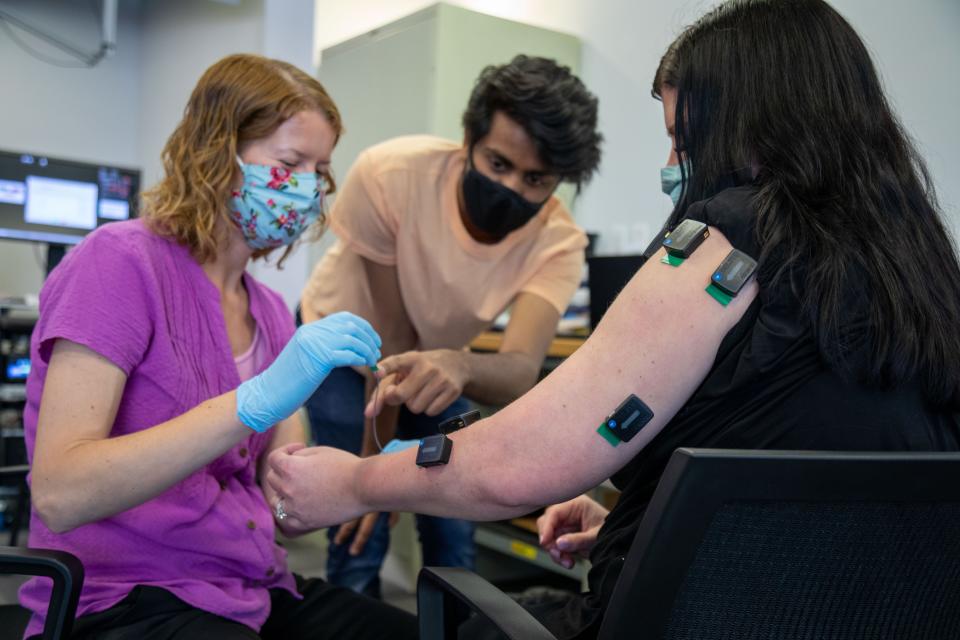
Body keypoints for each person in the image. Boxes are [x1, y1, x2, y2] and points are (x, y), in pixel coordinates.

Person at [267, 1, 960, 638]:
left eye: (684, 146)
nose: (672, 168)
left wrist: (354, 483)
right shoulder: (921, 270)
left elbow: (520, 461)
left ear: (753, 128)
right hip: (842, 615)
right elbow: (815, 473)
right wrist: (669, 522)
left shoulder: (724, 243)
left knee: (309, 613)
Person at [18, 54, 417, 639]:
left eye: (319, 169)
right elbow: (60, 492)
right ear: (216, 153)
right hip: (125, 597)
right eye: (290, 163)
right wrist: (250, 403)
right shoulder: (119, 263)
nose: (306, 189)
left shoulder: (273, 313)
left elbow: (285, 513)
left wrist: (376, 479)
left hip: (248, 587)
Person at [298, 54, 603, 597]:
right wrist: (373, 474)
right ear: (468, 140)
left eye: (537, 179)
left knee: (454, 516)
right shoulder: (389, 175)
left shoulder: (559, 242)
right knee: (360, 514)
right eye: (498, 164)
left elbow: (518, 371)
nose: (512, 188)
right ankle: (350, 612)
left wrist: (459, 364)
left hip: (437, 362)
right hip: (345, 350)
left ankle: (454, 622)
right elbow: (388, 348)